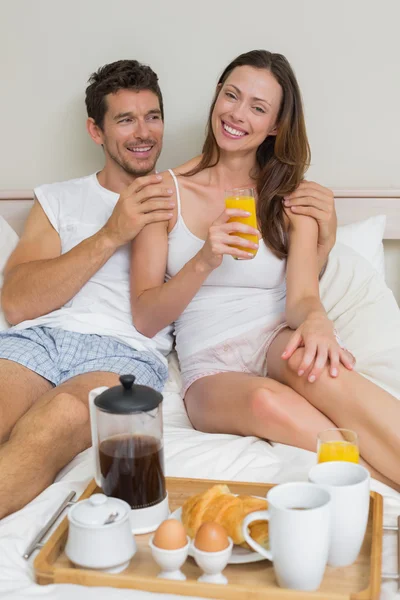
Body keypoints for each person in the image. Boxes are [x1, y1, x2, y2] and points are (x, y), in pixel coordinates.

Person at [0, 58, 336, 519]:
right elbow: (16, 303)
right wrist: (110, 233)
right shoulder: (59, 199)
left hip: (121, 354)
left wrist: (325, 242)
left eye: (152, 117)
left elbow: (266, 286)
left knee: (53, 422)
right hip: (37, 341)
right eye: (124, 120)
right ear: (96, 132)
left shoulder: (172, 197)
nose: (143, 133)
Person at [131, 49, 400, 490]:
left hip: (273, 336)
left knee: (334, 380)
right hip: (209, 361)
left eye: (257, 108)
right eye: (231, 96)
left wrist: (316, 322)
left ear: (275, 125)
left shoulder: (292, 197)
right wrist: (204, 258)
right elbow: (145, 317)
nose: (237, 114)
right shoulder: (162, 192)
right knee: (266, 403)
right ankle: (372, 481)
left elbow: (302, 298)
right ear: (217, 96)